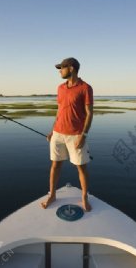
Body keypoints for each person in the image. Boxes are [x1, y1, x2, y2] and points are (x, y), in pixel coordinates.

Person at [40, 57, 94, 212]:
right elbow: (59, 110)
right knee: (55, 165)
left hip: (76, 135)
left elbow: (89, 113)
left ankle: (84, 197)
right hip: (58, 133)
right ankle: (52, 195)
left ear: (71, 68)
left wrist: (83, 135)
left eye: (61, 68)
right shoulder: (60, 88)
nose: (59, 71)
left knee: (81, 168)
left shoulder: (85, 88)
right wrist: (52, 131)